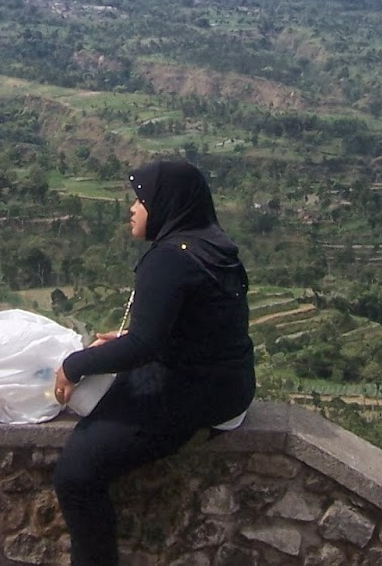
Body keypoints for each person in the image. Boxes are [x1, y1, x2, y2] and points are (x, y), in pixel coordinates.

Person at [52, 160, 256, 566]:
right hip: (232, 385)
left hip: (191, 391)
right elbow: (200, 322)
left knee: (74, 476)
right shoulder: (214, 245)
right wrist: (133, 338)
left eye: (141, 199)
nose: (133, 208)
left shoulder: (168, 259)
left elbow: (143, 348)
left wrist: (75, 364)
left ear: (165, 204)